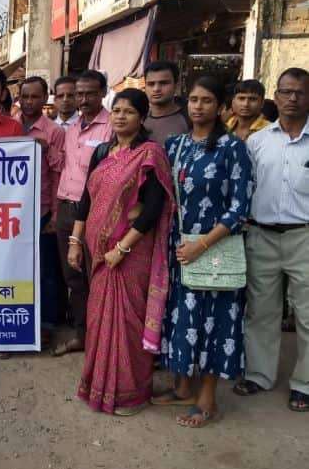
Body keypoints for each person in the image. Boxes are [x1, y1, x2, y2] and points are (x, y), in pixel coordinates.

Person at [154, 76, 253, 427]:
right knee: (182, 317)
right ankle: (183, 387)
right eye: (193, 100)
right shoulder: (175, 144)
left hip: (213, 248)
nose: (198, 106)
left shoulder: (232, 148)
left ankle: (208, 398)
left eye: (207, 100)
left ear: (221, 107)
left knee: (214, 322)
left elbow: (240, 208)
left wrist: (202, 244)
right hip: (177, 248)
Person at [69, 88, 174, 415]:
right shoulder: (102, 152)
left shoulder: (149, 154)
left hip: (131, 253)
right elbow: (86, 200)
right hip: (97, 252)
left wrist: (122, 248)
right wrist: (75, 241)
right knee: (100, 318)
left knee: (127, 322)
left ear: (142, 118)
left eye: (129, 112)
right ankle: (100, 386)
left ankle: (130, 394)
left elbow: (153, 207)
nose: (120, 117)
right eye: (116, 111)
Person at [236, 67, 309, 413]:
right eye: (286, 92)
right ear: (276, 97)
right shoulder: (258, 141)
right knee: (261, 310)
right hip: (261, 234)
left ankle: (304, 383)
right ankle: (259, 374)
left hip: (304, 237)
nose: (292, 98)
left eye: (300, 92)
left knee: (307, 315)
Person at [52, 70, 114, 356]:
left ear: (103, 93)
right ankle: (83, 334)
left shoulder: (112, 125)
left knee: (99, 277)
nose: (83, 99)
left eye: (90, 93)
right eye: (80, 94)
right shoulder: (71, 128)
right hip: (66, 209)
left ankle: (105, 339)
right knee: (73, 277)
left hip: (96, 213)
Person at [15, 77, 65, 345]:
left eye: (35, 97)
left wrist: (55, 214)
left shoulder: (54, 132)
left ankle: (45, 324)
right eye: (25, 96)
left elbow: (58, 175)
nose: (29, 102)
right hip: (11, 212)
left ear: (45, 98)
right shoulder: (10, 126)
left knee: (45, 269)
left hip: (41, 208)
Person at [143, 60, 190, 144]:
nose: (156, 89)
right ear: (145, 87)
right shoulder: (139, 119)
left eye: (163, 83)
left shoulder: (190, 118)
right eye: (151, 84)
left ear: (176, 85)